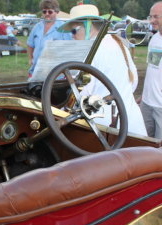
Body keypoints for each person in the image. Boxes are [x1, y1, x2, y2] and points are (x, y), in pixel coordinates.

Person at [58, 4, 147, 136]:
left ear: (87, 26)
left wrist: (62, 110)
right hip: (131, 120)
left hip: (106, 126)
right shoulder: (117, 43)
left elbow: (83, 91)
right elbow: (133, 80)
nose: (72, 36)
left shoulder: (91, 51)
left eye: (73, 31)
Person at [27, 0, 72, 79]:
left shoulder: (64, 27)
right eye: (44, 12)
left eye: (50, 12)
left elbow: (69, 48)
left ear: (56, 12)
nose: (47, 14)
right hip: (35, 70)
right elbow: (30, 44)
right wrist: (30, 59)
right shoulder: (37, 27)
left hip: (55, 73)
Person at [140, 1, 162, 138]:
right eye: (150, 17)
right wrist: (143, 94)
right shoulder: (154, 39)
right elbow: (152, 68)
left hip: (160, 106)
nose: (152, 21)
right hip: (146, 103)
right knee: (145, 143)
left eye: (156, 17)